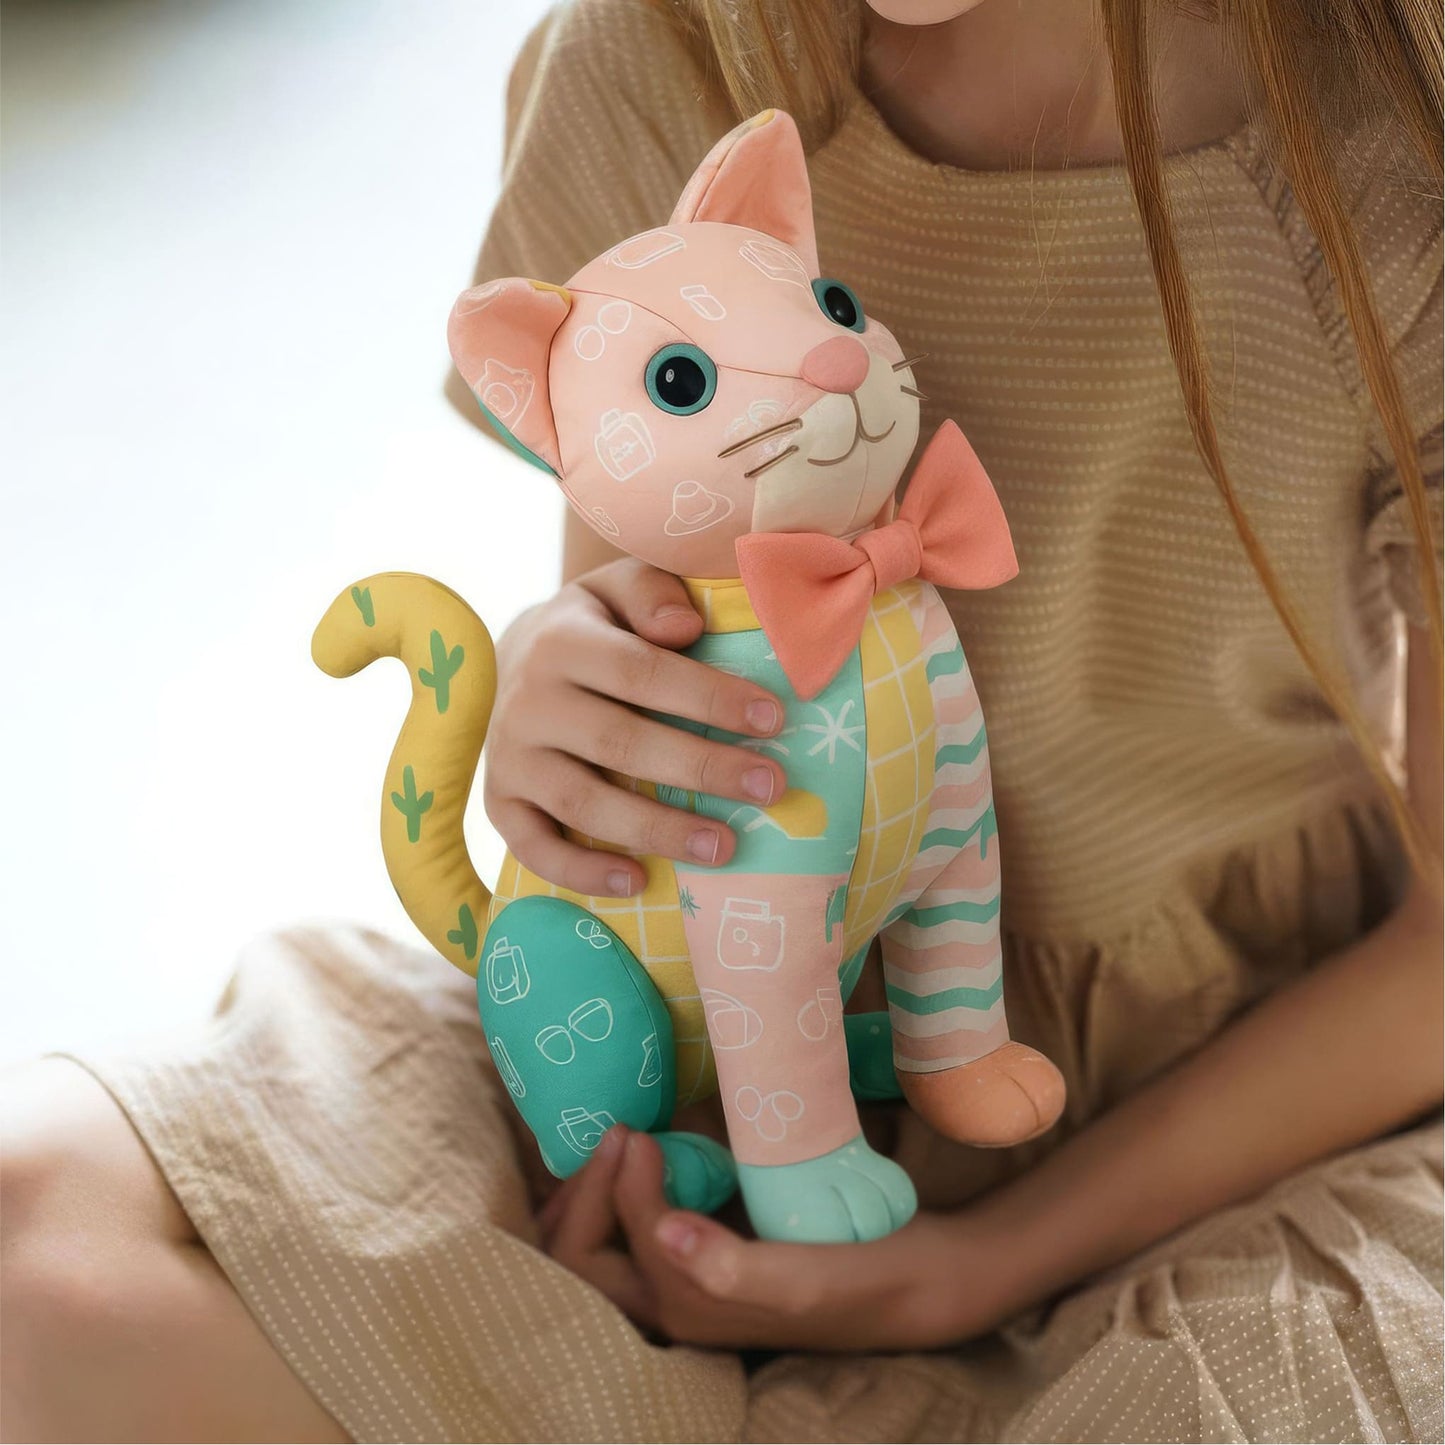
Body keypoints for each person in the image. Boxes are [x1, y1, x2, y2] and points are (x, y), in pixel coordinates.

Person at [4, 0, 1441, 1439]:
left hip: (1245, 1107)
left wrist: (964, 1272)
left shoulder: (1391, 124)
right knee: (43, 1253)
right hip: (714, 1035)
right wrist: (567, 703)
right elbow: (664, 632)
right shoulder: (670, 59)